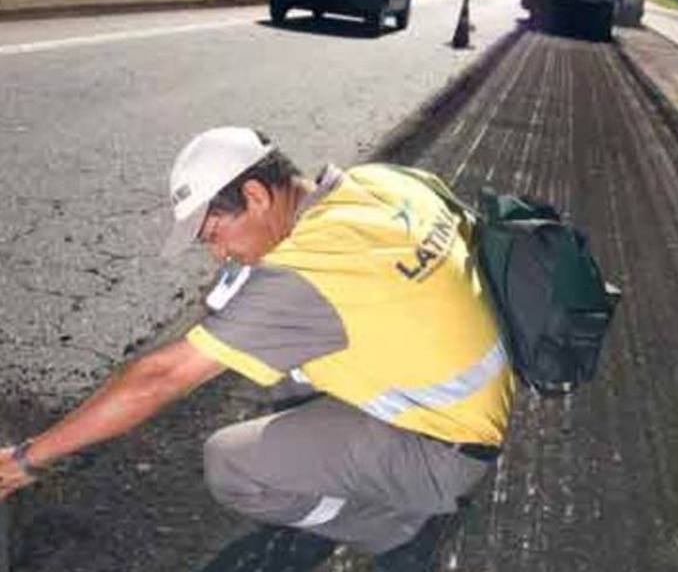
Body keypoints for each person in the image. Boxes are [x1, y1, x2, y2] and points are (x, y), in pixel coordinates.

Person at [0, 127, 515, 571]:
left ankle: (400, 528)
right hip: (478, 392)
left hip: (442, 450)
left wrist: (26, 459)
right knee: (277, 363)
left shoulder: (305, 273)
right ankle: (368, 478)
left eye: (215, 233)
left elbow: (159, 379)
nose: (219, 253)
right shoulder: (379, 182)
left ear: (257, 195)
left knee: (230, 463)